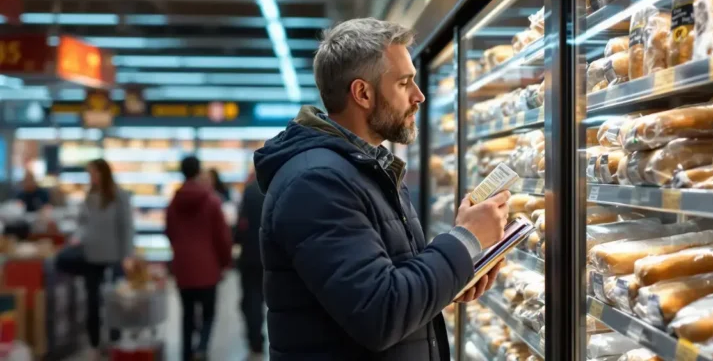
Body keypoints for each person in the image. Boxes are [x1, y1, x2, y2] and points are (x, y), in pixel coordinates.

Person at [252, 18, 510, 360]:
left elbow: (390, 282)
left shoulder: (367, 169)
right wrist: (465, 239)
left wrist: (456, 273)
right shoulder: (315, 183)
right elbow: (381, 313)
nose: (418, 96)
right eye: (404, 83)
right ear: (362, 93)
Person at [166, 156, 232, 361]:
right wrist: (225, 261)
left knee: (186, 313)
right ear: (198, 171)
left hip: (183, 266)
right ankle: (202, 347)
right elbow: (221, 235)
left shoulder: (174, 201)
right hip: (208, 266)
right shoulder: (212, 200)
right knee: (209, 313)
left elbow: (169, 231)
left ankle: (187, 353)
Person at [74, 159, 134, 359]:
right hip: (91, 255)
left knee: (115, 301)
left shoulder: (119, 196)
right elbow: (82, 222)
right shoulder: (89, 196)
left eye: (93, 173)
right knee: (92, 300)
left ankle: (115, 340)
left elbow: (126, 227)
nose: (91, 177)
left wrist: (127, 256)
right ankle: (94, 342)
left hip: (114, 256)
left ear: (103, 173)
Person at [234, 178, 266, 358]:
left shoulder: (249, 190)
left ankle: (255, 341)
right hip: (270, 253)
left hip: (249, 254)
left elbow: (241, 222)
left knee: (251, 300)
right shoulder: (275, 186)